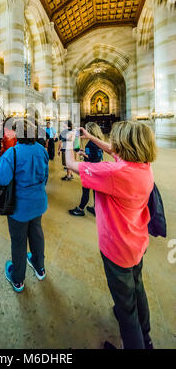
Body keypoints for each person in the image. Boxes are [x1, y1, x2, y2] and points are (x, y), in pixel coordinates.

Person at [65, 121, 156, 350]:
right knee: (137, 287)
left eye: (116, 138)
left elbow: (69, 163)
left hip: (118, 248)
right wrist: (90, 136)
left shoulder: (114, 173)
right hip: (137, 240)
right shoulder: (143, 165)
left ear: (125, 144)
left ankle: (136, 342)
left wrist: (68, 139)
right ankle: (146, 336)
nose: (112, 142)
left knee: (126, 309)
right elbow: (114, 151)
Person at [0, 119, 49, 293]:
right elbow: (46, 176)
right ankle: (39, 268)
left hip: (19, 207)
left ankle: (17, 279)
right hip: (38, 202)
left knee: (18, 241)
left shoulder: (12, 153)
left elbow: (2, 178)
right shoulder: (42, 150)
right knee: (37, 234)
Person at [69, 122, 104, 217]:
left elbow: (90, 157)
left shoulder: (90, 144)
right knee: (95, 191)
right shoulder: (99, 141)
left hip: (90, 169)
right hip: (98, 168)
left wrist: (82, 153)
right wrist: (84, 152)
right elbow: (96, 155)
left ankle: (80, 209)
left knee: (86, 190)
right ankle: (95, 208)